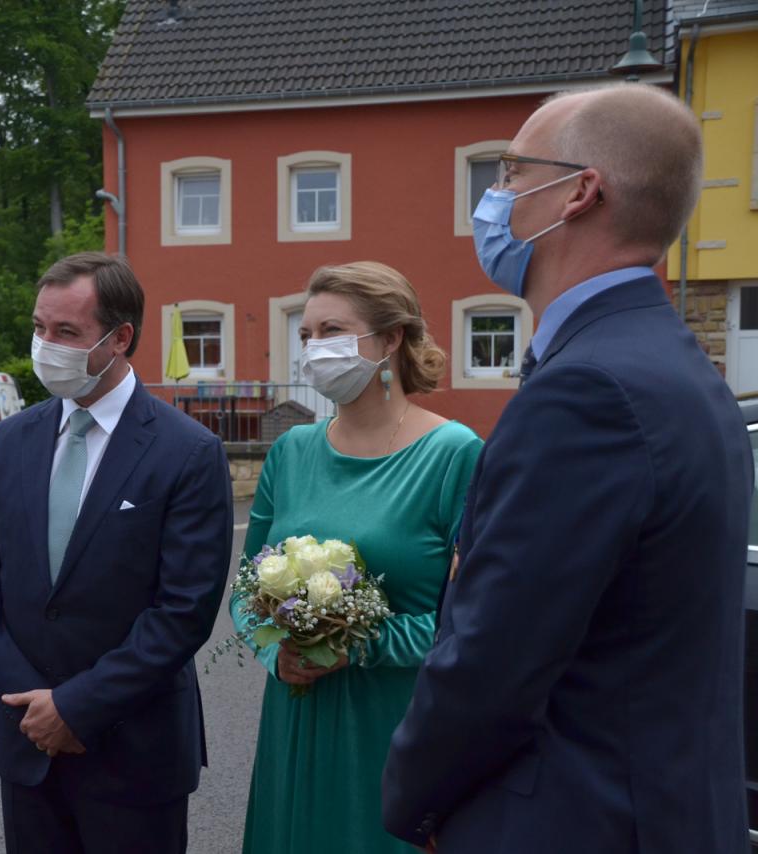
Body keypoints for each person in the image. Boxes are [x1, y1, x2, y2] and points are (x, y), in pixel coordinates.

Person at [382, 84, 752, 853]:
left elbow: (494, 659)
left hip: (570, 818)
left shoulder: (588, 391)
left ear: (580, 192)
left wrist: (415, 801)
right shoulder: (674, 364)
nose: (495, 199)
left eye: (512, 173)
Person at [0, 252, 233, 854]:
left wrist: (75, 708)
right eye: (39, 328)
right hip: (28, 746)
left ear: (120, 338)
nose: (45, 345)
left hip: (134, 753)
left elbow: (183, 611)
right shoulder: (9, 441)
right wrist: (35, 707)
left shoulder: (187, 452)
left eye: (66, 332)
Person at [233, 261, 482, 854]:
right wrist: (276, 651)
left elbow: (474, 620)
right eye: (306, 336)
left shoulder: (454, 454)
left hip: (395, 726)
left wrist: (355, 642)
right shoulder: (291, 451)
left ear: (392, 338)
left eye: (332, 332)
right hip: (296, 719)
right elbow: (246, 586)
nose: (314, 349)